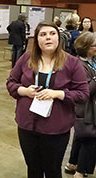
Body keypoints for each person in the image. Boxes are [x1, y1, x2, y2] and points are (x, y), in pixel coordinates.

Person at [6, 22, 89, 178]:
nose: (48, 38)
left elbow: (83, 94)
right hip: (27, 126)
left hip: (55, 128)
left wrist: (57, 94)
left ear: (59, 38)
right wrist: (24, 91)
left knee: (52, 170)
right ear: (37, 39)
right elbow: (11, 82)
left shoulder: (71, 63)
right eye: (43, 35)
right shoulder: (26, 59)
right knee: (33, 168)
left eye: (52, 33)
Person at [64, 31, 96, 178]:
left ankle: (73, 164)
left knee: (80, 137)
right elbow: (86, 90)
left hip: (89, 109)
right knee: (90, 140)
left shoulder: (92, 60)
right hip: (85, 110)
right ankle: (81, 172)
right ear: (86, 47)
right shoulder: (79, 65)